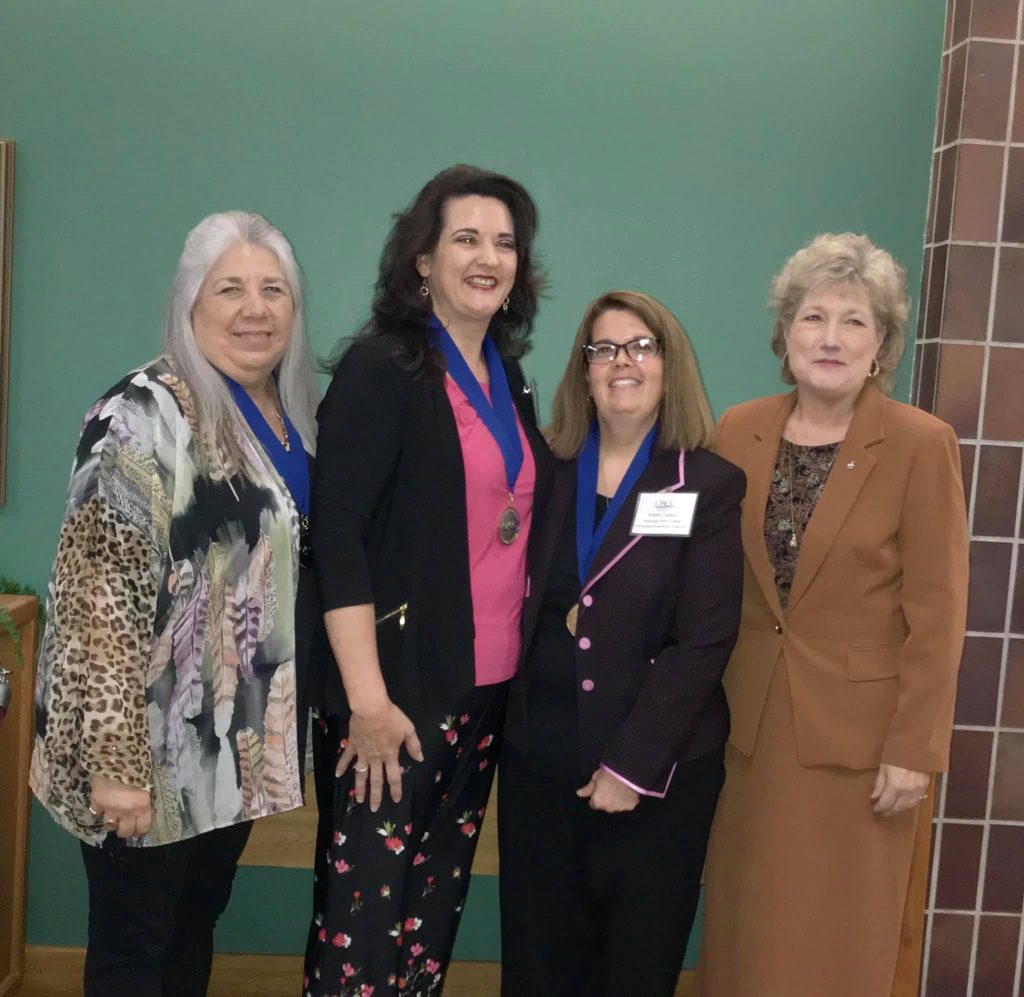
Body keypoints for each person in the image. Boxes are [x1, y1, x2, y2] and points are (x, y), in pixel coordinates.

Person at [29, 211, 319, 997]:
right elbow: (96, 604)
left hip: (225, 753)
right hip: (146, 754)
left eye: (273, 290)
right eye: (230, 289)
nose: (255, 309)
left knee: (191, 930)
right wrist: (118, 769)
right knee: (135, 952)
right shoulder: (140, 415)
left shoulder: (290, 419)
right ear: (190, 303)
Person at [697, 233, 969, 997]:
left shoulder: (921, 445)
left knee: (837, 945)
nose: (831, 338)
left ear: (881, 343)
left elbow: (940, 611)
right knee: (744, 938)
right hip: (745, 735)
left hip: (863, 752)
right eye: (814, 317)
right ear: (785, 334)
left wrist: (914, 746)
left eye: (855, 321)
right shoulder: (738, 430)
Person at [302, 165, 549, 996]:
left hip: (483, 686)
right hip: (394, 695)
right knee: (365, 923)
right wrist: (365, 702)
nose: (489, 257)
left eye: (505, 242)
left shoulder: (508, 377)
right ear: (422, 260)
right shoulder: (383, 370)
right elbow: (336, 537)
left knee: (430, 910)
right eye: (467, 239)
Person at [498, 290, 745, 997]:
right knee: (538, 962)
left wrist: (630, 766)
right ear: (584, 369)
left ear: (670, 365)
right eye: (603, 348)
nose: (622, 362)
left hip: (657, 775)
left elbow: (704, 641)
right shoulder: (542, 469)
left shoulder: (707, 484)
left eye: (641, 345)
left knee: (634, 966)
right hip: (539, 765)